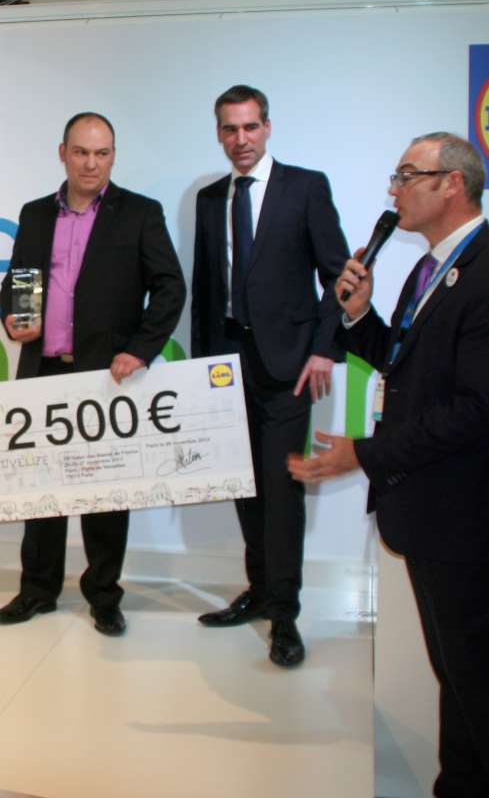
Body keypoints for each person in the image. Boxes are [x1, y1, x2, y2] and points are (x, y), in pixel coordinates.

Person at [290, 132, 489, 797]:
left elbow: (476, 413)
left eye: (407, 175)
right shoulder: (431, 269)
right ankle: (459, 786)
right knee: (458, 670)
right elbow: (403, 366)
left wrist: (363, 453)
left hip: (471, 514)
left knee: (477, 672)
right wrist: (360, 316)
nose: (394, 190)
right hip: (435, 508)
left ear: (452, 185)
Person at [0, 112, 185, 637]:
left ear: (113, 156)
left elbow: (170, 287)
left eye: (102, 153)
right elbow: (18, 280)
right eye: (81, 152)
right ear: (63, 154)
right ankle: (37, 591)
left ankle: (103, 595)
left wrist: (140, 350)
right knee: (40, 491)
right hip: (43, 371)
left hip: (106, 377)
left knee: (106, 494)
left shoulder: (140, 213)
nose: (91, 164)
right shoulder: (35, 214)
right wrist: (13, 313)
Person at [190, 85, 349, 668]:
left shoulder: (306, 187)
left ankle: (284, 614)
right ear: (218, 133)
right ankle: (259, 591)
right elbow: (207, 288)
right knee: (244, 485)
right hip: (227, 366)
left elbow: (338, 276)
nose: (241, 140)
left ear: (268, 127)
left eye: (250, 127)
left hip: (289, 367)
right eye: (230, 129)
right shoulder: (211, 199)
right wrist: (201, 368)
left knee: (281, 491)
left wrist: (325, 349)